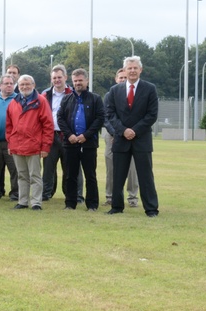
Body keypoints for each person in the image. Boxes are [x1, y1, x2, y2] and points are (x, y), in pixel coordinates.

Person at [105, 56, 160, 217]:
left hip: (141, 139)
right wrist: (123, 131)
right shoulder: (115, 91)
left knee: (145, 176)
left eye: (135, 68)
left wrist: (134, 130)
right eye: (129, 68)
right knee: (118, 175)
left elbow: (152, 115)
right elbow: (110, 114)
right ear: (125, 70)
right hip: (121, 139)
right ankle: (116, 207)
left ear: (140, 70)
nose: (132, 71)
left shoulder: (150, 89)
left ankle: (151, 209)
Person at [57, 68, 105, 211]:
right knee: (70, 175)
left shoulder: (95, 98)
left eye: (80, 80)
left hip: (88, 143)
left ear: (86, 81)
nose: (78, 83)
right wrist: (69, 135)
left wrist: (86, 135)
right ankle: (70, 203)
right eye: (75, 81)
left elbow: (100, 118)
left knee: (90, 175)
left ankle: (92, 204)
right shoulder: (66, 99)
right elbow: (60, 118)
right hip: (70, 142)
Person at [6, 75, 54, 211]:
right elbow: (9, 125)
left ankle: (36, 202)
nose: (24, 87)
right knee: (21, 175)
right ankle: (23, 201)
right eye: (22, 85)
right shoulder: (14, 102)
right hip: (17, 145)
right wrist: (10, 142)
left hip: (33, 145)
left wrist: (45, 146)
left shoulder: (41, 101)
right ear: (18, 86)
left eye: (27, 84)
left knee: (35, 176)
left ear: (33, 85)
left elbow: (48, 125)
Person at [104, 68, 139, 207]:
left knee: (132, 168)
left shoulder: (135, 94)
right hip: (112, 134)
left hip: (130, 134)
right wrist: (115, 133)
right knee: (111, 167)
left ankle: (132, 198)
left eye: (125, 77)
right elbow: (106, 117)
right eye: (121, 78)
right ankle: (110, 197)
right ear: (116, 79)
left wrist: (127, 132)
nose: (123, 80)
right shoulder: (110, 94)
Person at [41, 64, 71, 202]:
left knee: (70, 167)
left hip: (68, 136)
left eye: (60, 77)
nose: (57, 80)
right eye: (54, 78)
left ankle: (73, 194)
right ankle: (46, 194)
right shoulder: (45, 95)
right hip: (50, 135)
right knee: (48, 168)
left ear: (65, 77)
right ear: (51, 79)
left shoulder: (72, 93)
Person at [0, 74, 19, 201]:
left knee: (15, 170)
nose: (9, 86)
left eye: (11, 83)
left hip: (11, 141)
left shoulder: (18, 99)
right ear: (0, 85)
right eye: (6, 83)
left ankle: (15, 194)